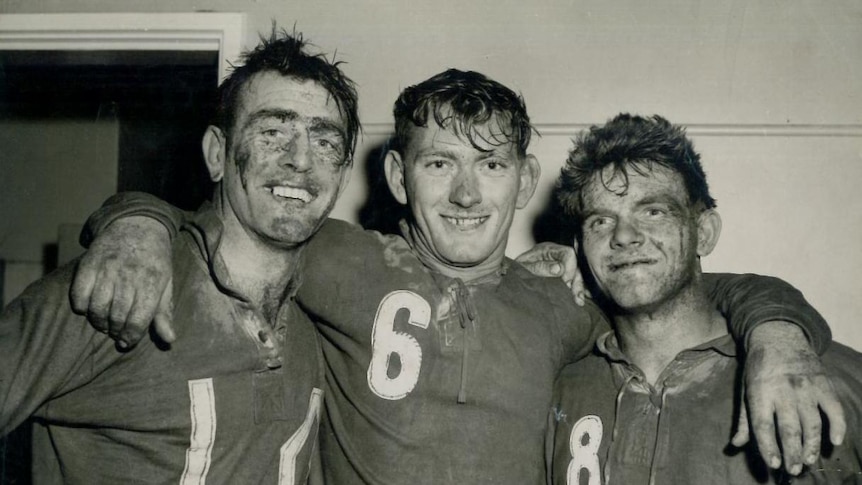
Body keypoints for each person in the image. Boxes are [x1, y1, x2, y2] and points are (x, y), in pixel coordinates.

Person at [72, 71, 840, 483]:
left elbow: (687, 291)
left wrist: (777, 332)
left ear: (523, 176)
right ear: (401, 177)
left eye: (491, 165)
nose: (468, 195)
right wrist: (134, 219)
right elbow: (231, 220)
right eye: (442, 164)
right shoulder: (335, 256)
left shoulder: (564, 299)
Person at [0, 30, 360, 483]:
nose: (301, 160)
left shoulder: (329, 315)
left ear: (343, 176)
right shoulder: (120, 286)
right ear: (217, 153)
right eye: (272, 132)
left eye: (325, 142)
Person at [547, 113, 862, 484]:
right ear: (580, 249)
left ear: (705, 233)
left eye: (653, 211)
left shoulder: (816, 376)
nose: (624, 236)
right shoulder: (559, 387)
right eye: (600, 221)